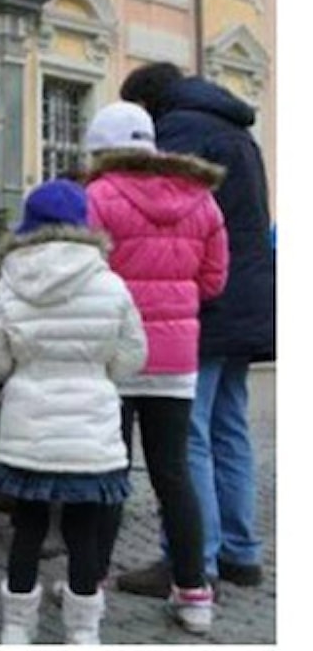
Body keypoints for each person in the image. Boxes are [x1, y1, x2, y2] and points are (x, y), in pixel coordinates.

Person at [117, 63, 275, 595]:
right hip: (248, 297)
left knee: (189, 435)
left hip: (204, 302)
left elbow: (165, 217)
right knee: (230, 426)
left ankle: (193, 559)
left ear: (147, 104)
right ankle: (241, 552)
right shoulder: (235, 129)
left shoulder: (181, 131)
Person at [0, 179, 147, 644]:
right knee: (83, 531)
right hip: (90, 429)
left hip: (27, 428)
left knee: (27, 527)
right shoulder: (110, 284)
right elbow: (132, 356)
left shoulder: (10, 282)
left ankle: (16, 627)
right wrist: (95, 373)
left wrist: (25, 371)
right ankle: (83, 630)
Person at [82, 101, 229, 634]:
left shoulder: (96, 198)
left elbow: (84, 274)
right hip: (176, 358)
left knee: (107, 471)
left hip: (114, 354)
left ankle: (89, 583)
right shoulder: (203, 202)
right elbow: (213, 282)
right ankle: (194, 593)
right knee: (174, 473)